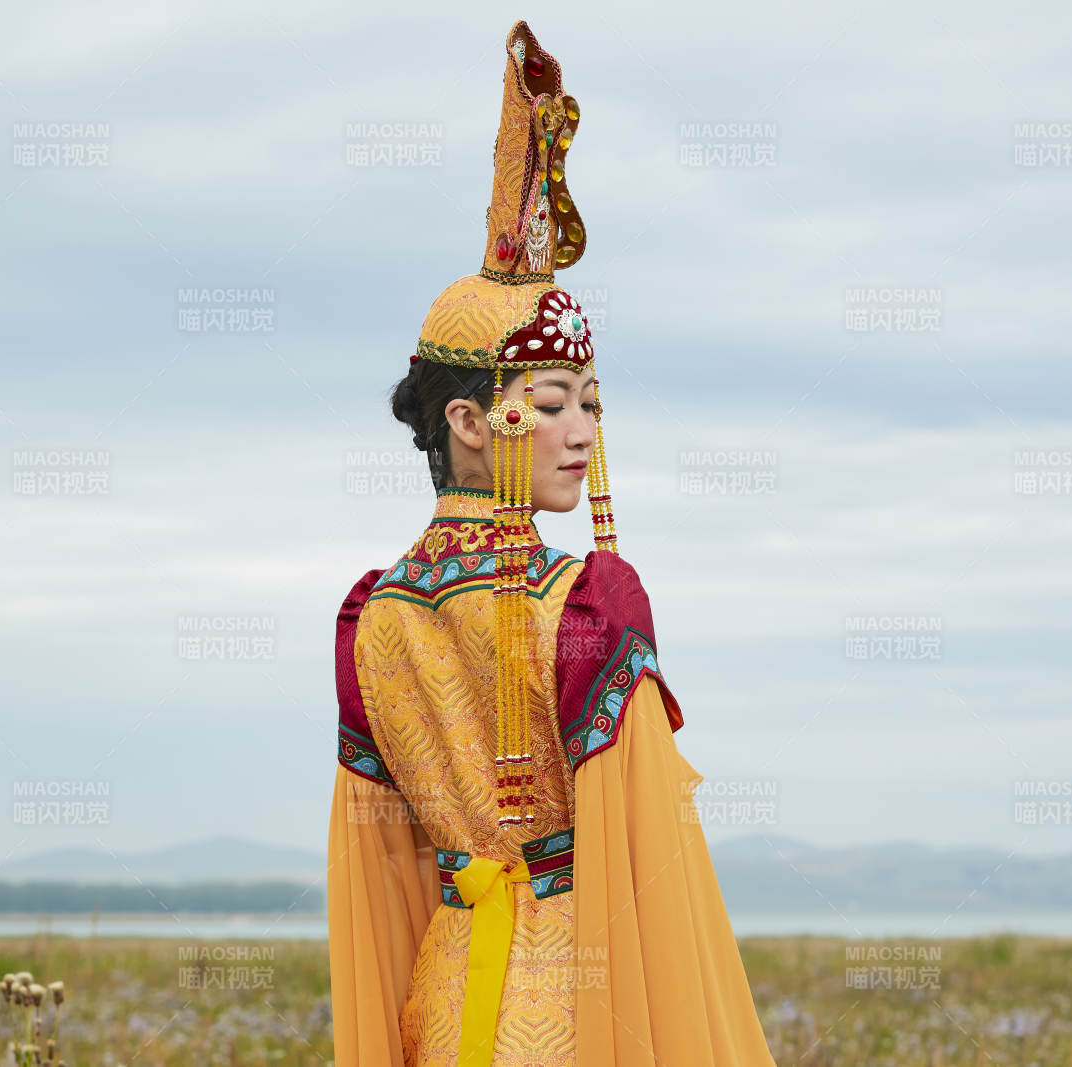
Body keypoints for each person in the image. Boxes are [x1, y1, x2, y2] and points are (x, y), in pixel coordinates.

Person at [327, 20, 779, 1066]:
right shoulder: (582, 604)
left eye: (589, 402)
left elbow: (380, 875)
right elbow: (654, 874)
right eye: (550, 401)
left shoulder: (373, 615)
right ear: (468, 421)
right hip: (583, 1004)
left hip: (443, 1002)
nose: (581, 432)